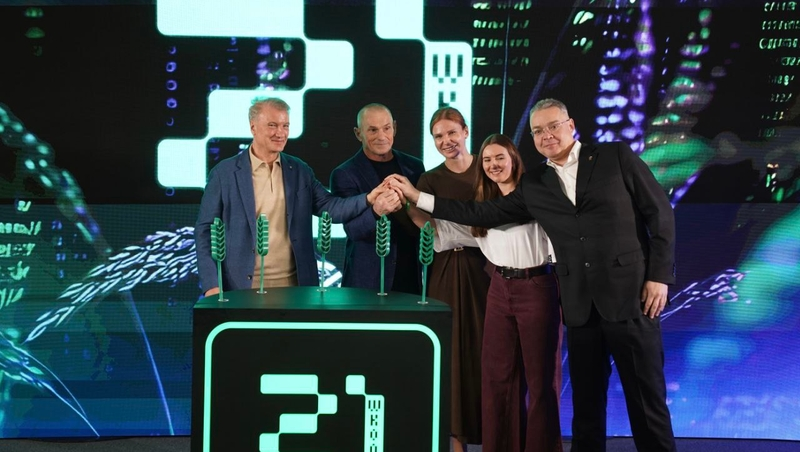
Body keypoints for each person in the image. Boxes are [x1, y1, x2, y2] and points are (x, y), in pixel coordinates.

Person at [391, 98, 677, 452]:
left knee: (646, 402)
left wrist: (658, 277)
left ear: (571, 125)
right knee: (586, 406)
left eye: (553, 126)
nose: (546, 135)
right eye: (538, 131)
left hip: (631, 298)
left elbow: (660, 214)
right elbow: (479, 214)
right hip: (579, 307)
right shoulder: (536, 183)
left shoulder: (614, 156)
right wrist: (416, 196)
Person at [410, 133, 563, 452]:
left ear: (514, 159)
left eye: (500, 157)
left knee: (540, 382)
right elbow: (451, 230)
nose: (493, 164)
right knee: (496, 378)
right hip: (499, 289)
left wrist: (416, 195)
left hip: (536, 286)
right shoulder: (484, 206)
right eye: (488, 160)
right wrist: (409, 203)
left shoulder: (534, 193)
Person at [195, 97, 390, 296]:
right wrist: (212, 285)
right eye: (272, 125)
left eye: (285, 126)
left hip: (296, 286)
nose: (280, 133)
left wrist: (369, 198)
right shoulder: (224, 174)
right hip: (241, 287)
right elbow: (204, 231)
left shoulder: (299, 170)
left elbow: (331, 208)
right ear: (253, 127)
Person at [415, 106, 490, 451]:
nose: (446, 141)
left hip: (489, 271)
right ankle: (455, 439)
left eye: (451, 133)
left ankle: (494, 433)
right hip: (446, 271)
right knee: (451, 354)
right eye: (438, 136)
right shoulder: (429, 180)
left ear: (466, 131)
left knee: (489, 350)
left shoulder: (488, 169)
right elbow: (424, 222)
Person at [329, 103, 425, 294]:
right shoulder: (345, 173)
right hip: (367, 279)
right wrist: (376, 211)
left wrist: (406, 206)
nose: (381, 136)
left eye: (386, 128)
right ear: (358, 133)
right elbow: (353, 230)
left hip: (409, 274)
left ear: (394, 128)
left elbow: (422, 225)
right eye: (372, 130)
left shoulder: (414, 166)